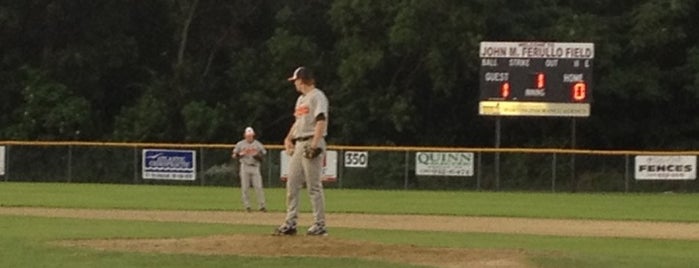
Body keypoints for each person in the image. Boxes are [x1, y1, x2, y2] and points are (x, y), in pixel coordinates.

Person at [274, 66, 329, 236]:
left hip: (312, 140)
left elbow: (321, 121)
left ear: (302, 80)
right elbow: (297, 123)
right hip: (299, 143)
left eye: (295, 80)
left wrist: (314, 144)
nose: (294, 84)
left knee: (313, 186)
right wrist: (288, 138)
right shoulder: (300, 100)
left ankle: (319, 224)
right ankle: (290, 223)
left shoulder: (317, 96)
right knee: (292, 183)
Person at [232, 126, 267, 212]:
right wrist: (240, 154)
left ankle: (262, 206)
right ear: (245, 135)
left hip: (255, 167)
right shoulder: (240, 144)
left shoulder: (258, 144)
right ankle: (247, 206)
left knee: (258, 187)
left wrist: (257, 156)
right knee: (245, 188)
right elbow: (234, 155)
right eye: (248, 135)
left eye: (250, 135)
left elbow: (263, 156)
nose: (249, 137)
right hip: (245, 166)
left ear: (253, 135)